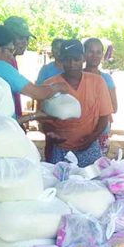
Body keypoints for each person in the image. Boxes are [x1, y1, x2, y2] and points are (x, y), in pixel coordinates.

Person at [40, 39, 113, 167]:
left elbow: (104, 116)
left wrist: (92, 138)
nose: (72, 63)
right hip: (60, 149)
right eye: (67, 59)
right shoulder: (49, 85)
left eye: (76, 59)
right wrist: (51, 132)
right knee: (60, 185)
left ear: (83, 59)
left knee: (93, 184)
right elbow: (44, 119)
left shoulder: (98, 82)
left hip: (89, 147)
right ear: (61, 60)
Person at [0, 23, 67, 118]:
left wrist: (33, 116)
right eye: (10, 51)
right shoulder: (0, 66)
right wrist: (58, 87)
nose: (11, 57)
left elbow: (3, 118)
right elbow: (37, 93)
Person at [84, 38, 118, 156]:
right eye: (91, 51)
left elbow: (114, 107)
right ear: (84, 53)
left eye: (98, 52)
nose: (95, 55)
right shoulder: (76, 76)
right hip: (79, 132)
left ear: (102, 55)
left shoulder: (107, 79)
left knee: (98, 168)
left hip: (101, 131)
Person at [3, 16, 36, 118]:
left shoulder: (13, 59)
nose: (25, 42)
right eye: (21, 38)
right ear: (8, 37)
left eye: (27, 38)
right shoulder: (3, 63)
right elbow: (34, 92)